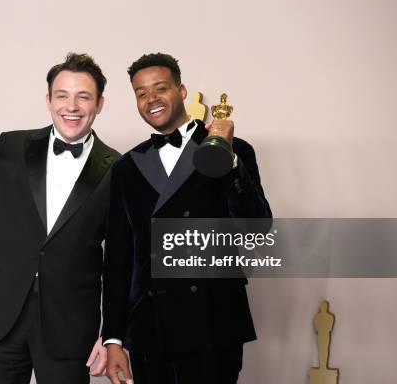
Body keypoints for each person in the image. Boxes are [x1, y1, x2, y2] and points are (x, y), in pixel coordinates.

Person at [0, 53, 120, 384]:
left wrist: (111, 335)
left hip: (70, 327)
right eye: (62, 95)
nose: (71, 106)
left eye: (83, 96)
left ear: (100, 103)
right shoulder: (11, 146)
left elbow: (120, 260)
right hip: (0, 315)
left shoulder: (118, 170)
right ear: (48, 100)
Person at [102, 53, 271, 384]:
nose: (151, 99)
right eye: (141, 92)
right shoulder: (126, 168)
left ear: (181, 90)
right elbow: (119, 259)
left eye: (160, 88)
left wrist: (226, 156)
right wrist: (113, 339)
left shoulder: (234, 150)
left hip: (213, 322)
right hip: (149, 328)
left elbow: (256, 229)